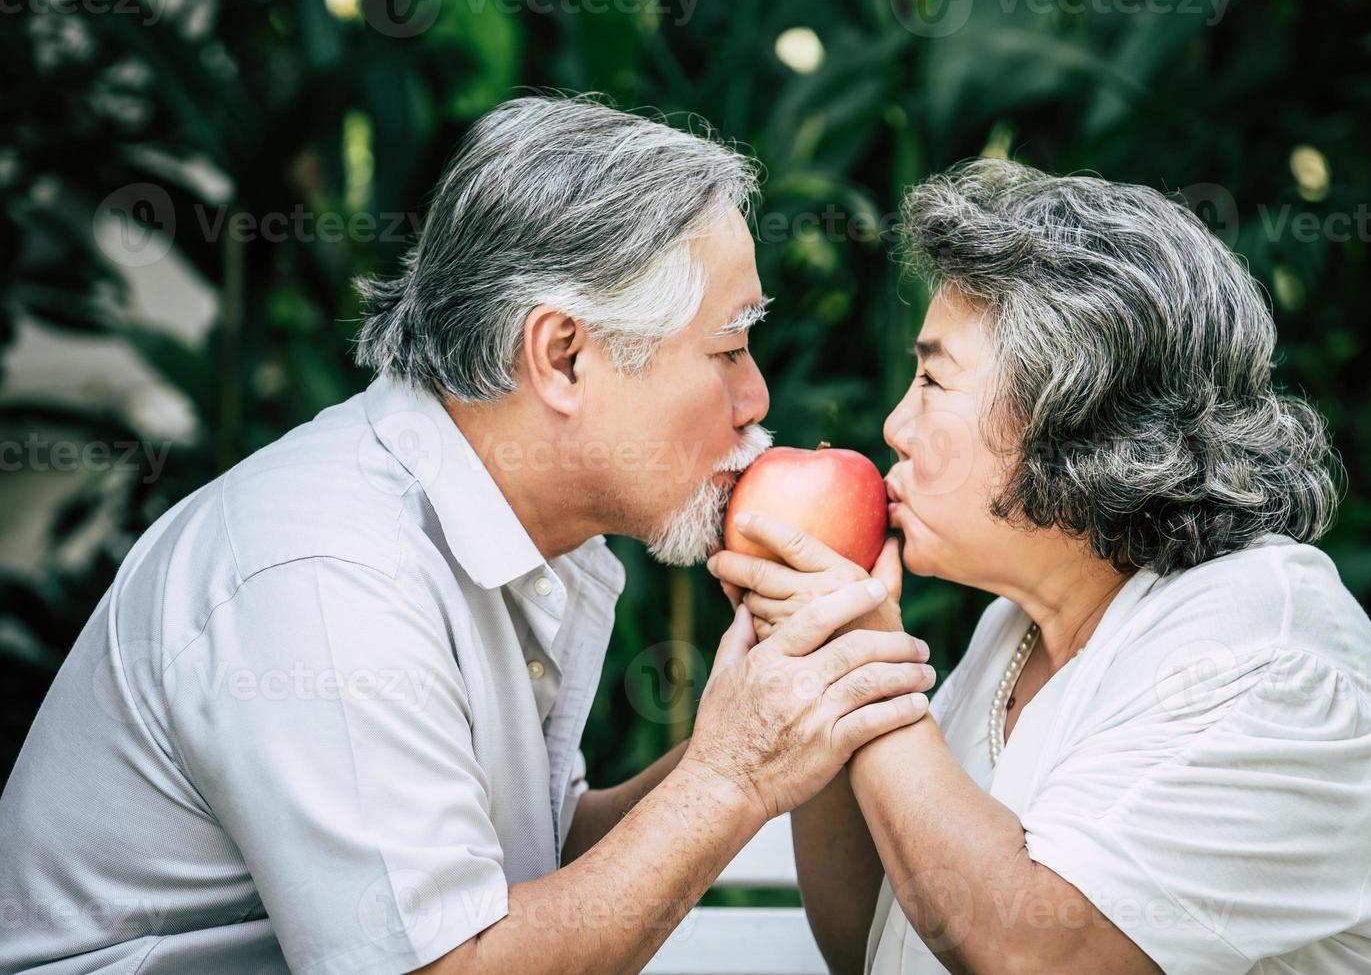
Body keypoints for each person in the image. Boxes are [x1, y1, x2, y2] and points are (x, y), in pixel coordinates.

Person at [0, 95, 937, 975]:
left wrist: (789, 711)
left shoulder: (521, 531)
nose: (757, 399)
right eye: (729, 349)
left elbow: (528, 868)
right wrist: (735, 770)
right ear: (562, 355)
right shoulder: (330, 577)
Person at [710, 159, 1371, 974]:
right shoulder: (1018, 627)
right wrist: (825, 664)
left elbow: (1033, 956)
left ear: (1076, 413)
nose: (895, 424)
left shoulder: (1263, 655)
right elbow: (872, 940)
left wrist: (867, 668)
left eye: (932, 378)